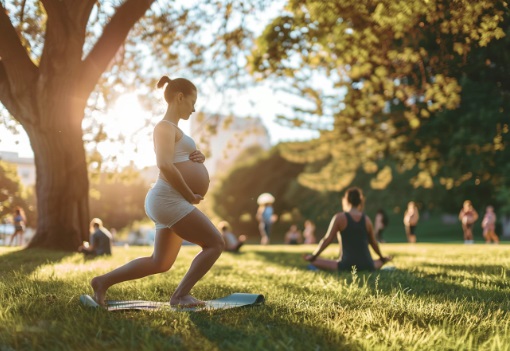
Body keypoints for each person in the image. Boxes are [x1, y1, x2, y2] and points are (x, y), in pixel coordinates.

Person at [90, 76, 224, 308]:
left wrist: (198, 158)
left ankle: (102, 282)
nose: (194, 108)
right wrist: (190, 194)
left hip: (168, 200)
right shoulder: (164, 127)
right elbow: (164, 164)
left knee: (160, 262)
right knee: (215, 243)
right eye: (192, 101)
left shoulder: (173, 130)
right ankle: (180, 296)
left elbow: (178, 158)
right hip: (168, 199)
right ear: (180, 97)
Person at [303, 187, 392, 272]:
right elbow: (373, 243)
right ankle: (384, 260)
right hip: (367, 265)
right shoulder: (367, 220)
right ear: (360, 201)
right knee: (380, 261)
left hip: (346, 265)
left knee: (314, 262)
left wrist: (314, 256)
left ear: (346, 200)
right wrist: (381, 257)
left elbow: (327, 240)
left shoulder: (339, 218)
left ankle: (314, 260)